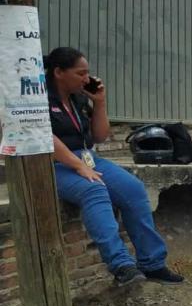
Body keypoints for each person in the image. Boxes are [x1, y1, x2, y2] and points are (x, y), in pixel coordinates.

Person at [45, 47, 183, 286]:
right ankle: (121, 265)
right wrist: (78, 166)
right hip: (55, 163)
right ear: (58, 72)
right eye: (80, 73)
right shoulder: (41, 99)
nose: (86, 79)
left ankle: (152, 263)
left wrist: (99, 103)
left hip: (87, 157)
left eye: (87, 73)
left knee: (133, 189)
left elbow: (100, 136)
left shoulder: (78, 98)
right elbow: (46, 137)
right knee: (94, 190)